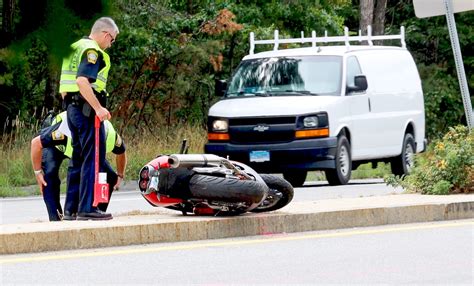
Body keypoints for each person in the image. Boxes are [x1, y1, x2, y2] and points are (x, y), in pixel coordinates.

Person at [59, 17, 119, 220]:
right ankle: (87, 208)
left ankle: (71, 209)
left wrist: (73, 107)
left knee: (77, 159)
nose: (110, 45)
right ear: (106, 34)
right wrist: (98, 108)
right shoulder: (92, 51)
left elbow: (65, 88)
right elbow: (82, 81)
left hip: (72, 110)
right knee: (93, 158)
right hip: (87, 112)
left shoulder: (74, 47)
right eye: (112, 40)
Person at [31, 111, 127, 221]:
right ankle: (55, 218)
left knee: (110, 176)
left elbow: (121, 152)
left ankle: (95, 211)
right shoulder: (63, 132)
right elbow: (35, 144)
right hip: (57, 147)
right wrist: (37, 172)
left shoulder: (111, 135)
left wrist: (120, 175)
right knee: (48, 175)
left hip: (86, 150)